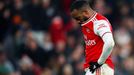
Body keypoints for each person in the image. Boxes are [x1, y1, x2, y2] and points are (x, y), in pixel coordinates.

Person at [70, 0, 115, 75]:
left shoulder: (98, 22)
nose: (77, 21)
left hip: (100, 68)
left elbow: (110, 43)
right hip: (95, 67)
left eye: (78, 18)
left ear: (86, 13)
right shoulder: (88, 24)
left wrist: (99, 63)